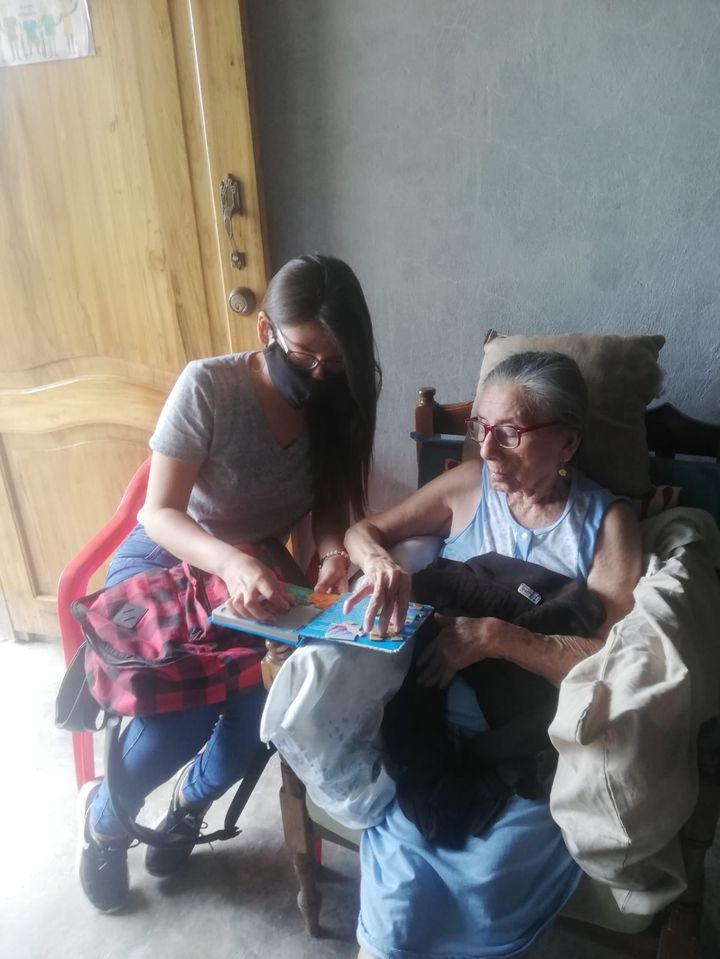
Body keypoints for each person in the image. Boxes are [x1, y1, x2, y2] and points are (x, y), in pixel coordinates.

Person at [77, 253, 382, 914]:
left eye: (335, 361)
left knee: (270, 715)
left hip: (260, 565)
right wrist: (229, 562)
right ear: (266, 330)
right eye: (304, 356)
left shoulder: (338, 395)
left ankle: (189, 804)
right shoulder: (209, 387)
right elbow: (159, 512)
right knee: (177, 717)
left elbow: (331, 506)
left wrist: (333, 552)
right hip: (175, 554)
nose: (319, 374)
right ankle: (106, 822)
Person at [344, 350, 641, 959]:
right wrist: (379, 564)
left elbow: (609, 663)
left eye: (509, 433)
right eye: (480, 427)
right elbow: (362, 532)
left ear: (567, 442)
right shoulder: (468, 487)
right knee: (395, 907)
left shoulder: (607, 525)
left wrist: (498, 637)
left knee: (490, 884)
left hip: (528, 751)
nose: (486, 449)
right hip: (429, 735)